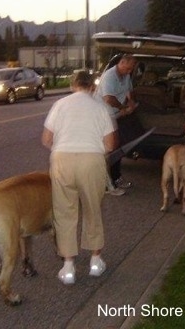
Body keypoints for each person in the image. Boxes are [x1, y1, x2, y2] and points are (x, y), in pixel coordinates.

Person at [41, 71, 115, 285]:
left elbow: (46, 139)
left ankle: (68, 267)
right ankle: (95, 261)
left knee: (65, 212)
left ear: (73, 86)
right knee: (93, 209)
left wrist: (62, 147)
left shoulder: (60, 105)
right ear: (92, 87)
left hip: (62, 160)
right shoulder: (99, 107)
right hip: (91, 161)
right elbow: (110, 144)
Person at [95, 54, 139, 191]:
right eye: (128, 68)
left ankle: (114, 178)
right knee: (112, 148)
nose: (130, 71)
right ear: (122, 62)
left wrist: (131, 103)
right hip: (105, 115)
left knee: (118, 145)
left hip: (116, 114)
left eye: (131, 69)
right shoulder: (109, 76)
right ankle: (108, 181)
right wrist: (123, 108)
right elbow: (108, 98)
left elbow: (129, 90)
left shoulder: (125, 75)